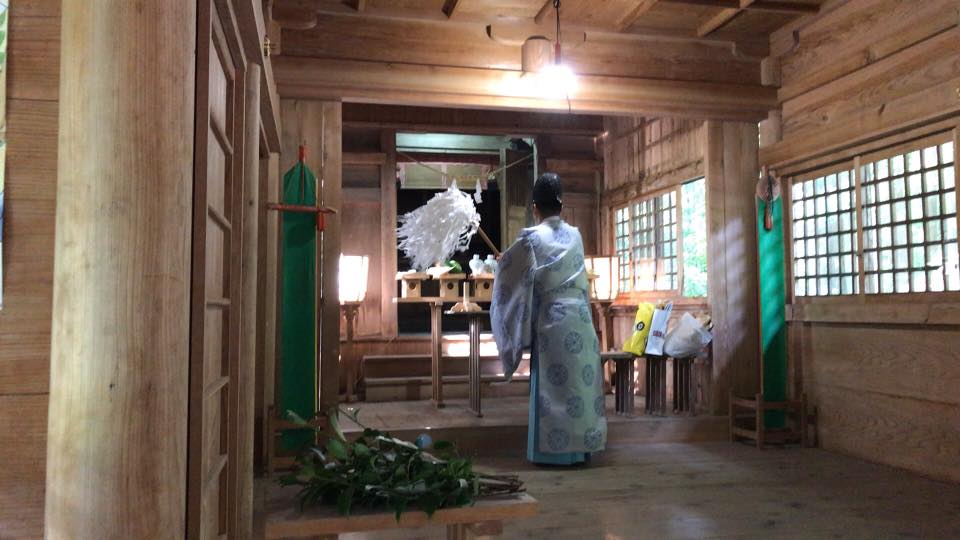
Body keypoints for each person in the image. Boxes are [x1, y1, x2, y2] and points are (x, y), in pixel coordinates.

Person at [491, 172, 606, 465]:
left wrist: (502, 264)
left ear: (534, 208)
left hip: (553, 320)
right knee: (579, 386)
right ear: (562, 206)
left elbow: (511, 274)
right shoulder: (577, 235)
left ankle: (550, 455)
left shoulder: (531, 237)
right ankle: (580, 451)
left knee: (554, 390)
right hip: (580, 318)